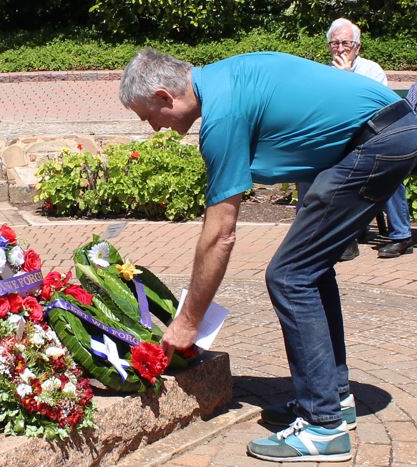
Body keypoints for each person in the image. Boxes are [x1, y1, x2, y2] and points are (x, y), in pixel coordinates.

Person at [120, 48, 417, 462]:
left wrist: (187, 322)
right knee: (308, 270)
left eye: (149, 116)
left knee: (289, 276)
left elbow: (220, 233)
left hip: (378, 140)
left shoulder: (221, 116)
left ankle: (322, 427)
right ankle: (332, 396)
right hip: (387, 132)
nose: (154, 129)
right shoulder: (225, 78)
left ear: (165, 96)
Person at [298, 18, 413, 261]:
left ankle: (401, 235)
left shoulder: (372, 71)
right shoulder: (323, 73)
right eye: (334, 43)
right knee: (306, 168)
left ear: (357, 47)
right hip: (339, 141)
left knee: (387, 164)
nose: (340, 48)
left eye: (345, 43)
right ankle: (315, 236)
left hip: (373, 139)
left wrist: (347, 78)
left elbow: (382, 112)